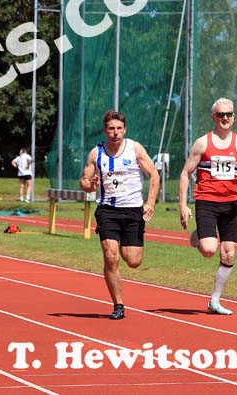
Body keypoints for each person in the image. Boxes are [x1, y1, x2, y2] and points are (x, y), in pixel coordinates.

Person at [178, 98, 237, 315]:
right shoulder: (202, 143)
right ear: (214, 117)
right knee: (209, 250)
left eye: (229, 114)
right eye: (221, 115)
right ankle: (200, 236)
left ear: (233, 117)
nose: (225, 118)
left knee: (229, 254)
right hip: (207, 202)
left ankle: (214, 301)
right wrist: (183, 205)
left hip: (231, 204)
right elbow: (185, 174)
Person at [80, 110, 159, 320]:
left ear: (124, 129)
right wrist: (90, 185)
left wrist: (150, 203)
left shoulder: (134, 149)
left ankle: (121, 248)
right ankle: (118, 305)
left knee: (133, 260)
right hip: (107, 211)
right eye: (111, 128)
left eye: (119, 128)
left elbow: (153, 174)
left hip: (133, 210)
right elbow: (85, 181)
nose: (115, 132)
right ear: (105, 130)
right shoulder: (96, 153)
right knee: (111, 256)